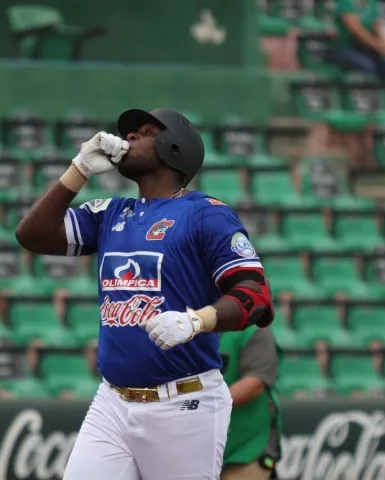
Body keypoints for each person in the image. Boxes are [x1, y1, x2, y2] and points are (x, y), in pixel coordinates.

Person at [15, 108, 275, 480]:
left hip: (184, 401)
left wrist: (197, 320)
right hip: (113, 401)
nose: (131, 137)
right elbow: (32, 234)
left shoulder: (206, 214)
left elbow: (256, 294)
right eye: (130, 132)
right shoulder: (109, 213)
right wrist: (79, 170)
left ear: (175, 146)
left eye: (146, 131)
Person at [220, 327, 281, 480]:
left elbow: (255, 383)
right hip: (201, 448)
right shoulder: (190, 322)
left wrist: (208, 404)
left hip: (246, 449)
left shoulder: (255, 326)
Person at [328, 0, 385, 84]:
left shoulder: (372, 3)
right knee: (367, 67)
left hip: (364, 48)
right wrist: (376, 44)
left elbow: (377, 26)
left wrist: (384, 42)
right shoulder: (345, 2)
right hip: (343, 47)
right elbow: (356, 29)